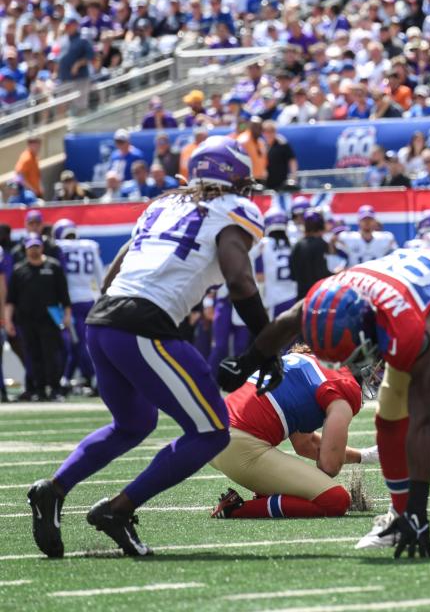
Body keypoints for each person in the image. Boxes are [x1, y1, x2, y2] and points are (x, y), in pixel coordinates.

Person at [26, 136, 276, 558]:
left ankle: (53, 488)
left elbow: (117, 265)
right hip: (143, 324)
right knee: (211, 431)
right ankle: (118, 510)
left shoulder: (163, 204)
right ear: (236, 180)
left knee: (134, 423)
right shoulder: (235, 210)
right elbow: (239, 280)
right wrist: (266, 345)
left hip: (103, 320)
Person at [218, 248, 430, 557]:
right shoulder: (326, 297)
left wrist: (419, 508)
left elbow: (424, 419)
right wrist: (245, 363)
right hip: (422, 295)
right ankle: (399, 516)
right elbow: (286, 321)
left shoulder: (403, 325)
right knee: (388, 412)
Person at [209, 345, 375, 519]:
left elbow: (306, 444)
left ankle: (266, 496)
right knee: (335, 500)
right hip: (239, 447)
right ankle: (235, 509)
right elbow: (329, 465)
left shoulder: (304, 360)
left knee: (307, 490)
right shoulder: (344, 384)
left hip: (212, 436)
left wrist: (365, 456)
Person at [6, 234, 71, 401]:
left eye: (36, 246)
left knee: (51, 355)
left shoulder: (53, 266)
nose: (34, 250)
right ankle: (39, 389)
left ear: (42, 247)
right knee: (33, 356)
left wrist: (67, 314)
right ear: (26, 249)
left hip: (49, 319)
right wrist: (8, 320)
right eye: (30, 247)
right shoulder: (19, 270)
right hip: (26, 320)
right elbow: (11, 299)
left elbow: (63, 294)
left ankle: (55, 389)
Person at [52, 219, 103, 395]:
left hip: (70, 302)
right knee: (80, 343)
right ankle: (66, 379)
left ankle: (96, 378)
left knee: (78, 342)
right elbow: (99, 274)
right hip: (89, 299)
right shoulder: (89, 246)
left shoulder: (58, 246)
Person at [260, 208, 298, 318]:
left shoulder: (263, 245)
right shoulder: (294, 243)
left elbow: (259, 276)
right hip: (294, 297)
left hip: (274, 299)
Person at [289, 207, 332, 299]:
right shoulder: (322, 244)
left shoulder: (297, 245)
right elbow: (323, 274)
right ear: (321, 226)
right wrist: (337, 273)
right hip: (320, 299)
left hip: (302, 298)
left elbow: (293, 275)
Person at [262, 120, 297, 190]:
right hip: (267, 184)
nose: (269, 134)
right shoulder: (264, 146)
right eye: (266, 131)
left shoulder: (282, 144)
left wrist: (293, 177)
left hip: (281, 184)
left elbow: (292, 161)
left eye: (272, 131)